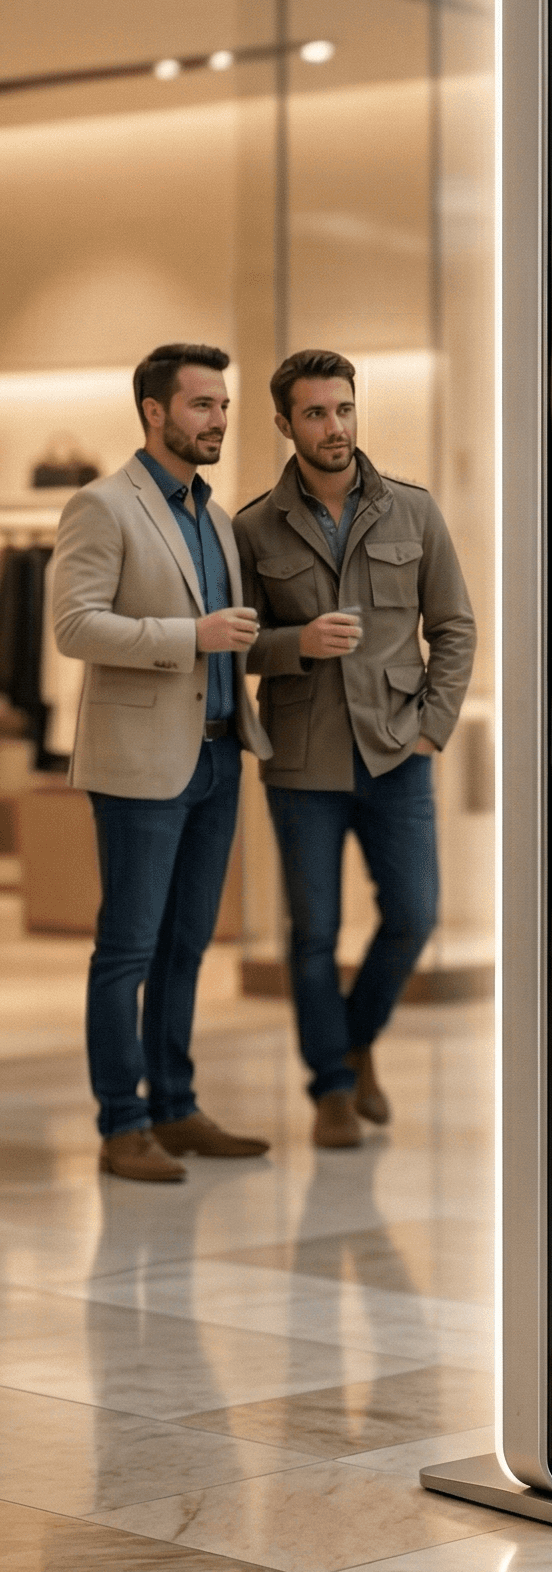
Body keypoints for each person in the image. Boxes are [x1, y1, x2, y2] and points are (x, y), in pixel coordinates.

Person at [235, 351, 475, 1148]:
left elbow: (454, 628)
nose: (333, 427)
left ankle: (356, 1039)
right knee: (312, 934)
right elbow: (236, 648)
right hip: (302, 764)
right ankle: (332, 1087)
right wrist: (294, 642)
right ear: (284, 424)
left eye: (342, 410)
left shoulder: (413, 510)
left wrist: (435, 727)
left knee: (413, 915)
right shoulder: (252, 527)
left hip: (398, 753)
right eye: (314, 414)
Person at [51, 343, 272, 1182]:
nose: (218, 418)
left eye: (222, 404)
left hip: (219, 759)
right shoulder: (102, 506)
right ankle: (123, 1123)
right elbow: (72, 626)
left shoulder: (216, 518)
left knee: (187, 948)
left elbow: (232, 640)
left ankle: (176, 1109)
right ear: (155, 411)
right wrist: (192, 637)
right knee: (128, 951)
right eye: (202, 404)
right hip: (141, 769)